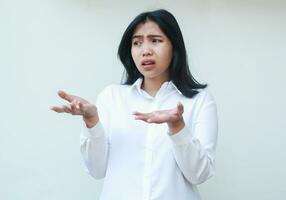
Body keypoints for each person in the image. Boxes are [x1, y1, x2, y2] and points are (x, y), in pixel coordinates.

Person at [51, 9, 218, 200]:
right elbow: (97, 170)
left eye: (155, 40)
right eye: (137, 43)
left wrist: (177, 127)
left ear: (175, 47)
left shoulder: (199, 100)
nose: (145, 50)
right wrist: (91, 122)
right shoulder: (111, 97)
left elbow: (199, 174)